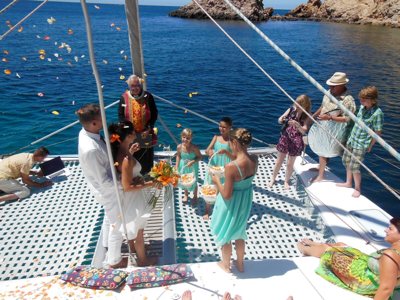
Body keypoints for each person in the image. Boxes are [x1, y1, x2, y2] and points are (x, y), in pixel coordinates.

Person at [297, 217, 400, 299]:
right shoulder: (394, 252)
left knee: (329, 253)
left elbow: (386, 289)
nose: (385, 230)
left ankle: (302, 248)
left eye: (390, 229)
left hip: (364, 279)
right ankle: (318, 245)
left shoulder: (391, 256)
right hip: (368, 267)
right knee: (342, 245)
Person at [77, 103, 126, 269]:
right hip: (107, 191)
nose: (105, 120)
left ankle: (106, 244)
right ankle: (114, 260)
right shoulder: (90, 149)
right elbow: (104, 181)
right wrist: (125, 184)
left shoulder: (88, 134)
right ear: (93, 123)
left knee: (109, 217)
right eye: (101, 118)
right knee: (117, 225)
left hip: (105, 188)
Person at [108, 121, 157, 266]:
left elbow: (125, 172)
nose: (136, 133)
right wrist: (151, 183)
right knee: (139, 230)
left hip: (128, 198)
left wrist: (131, 153)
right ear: (129, 135)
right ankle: (143, 261)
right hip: (134, 197)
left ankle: (134, 250)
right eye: (134, 132)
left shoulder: (121, 152)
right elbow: (127, 186)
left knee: (133, 226)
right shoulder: (126, 159)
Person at [210, 128, 258, 273]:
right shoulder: (254, 160)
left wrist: (216, 180)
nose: (229, 146)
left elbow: (226, 194)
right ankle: (240, 263)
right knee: (239, 232)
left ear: (235, 143)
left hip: (231, 204)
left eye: (230, 143)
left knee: (226, 234)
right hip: (245, 200)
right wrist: (230, 156)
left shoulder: (231, 167)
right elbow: (241, 165)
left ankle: (226, 265)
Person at [308, 72, 356, 183]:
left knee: (328, 149)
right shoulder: (328, 93)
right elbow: (323, 106)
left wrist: (329, 118)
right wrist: (312, 117)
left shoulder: (348, 100)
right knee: (322, 147)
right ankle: (321, 167)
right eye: (330, 85)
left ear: (342, 85)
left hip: (336, 130)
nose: (330, 87)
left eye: (333, 86)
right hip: (323, 125)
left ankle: (321, 176)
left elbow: (348, 119)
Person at [337, 86, 383, 198]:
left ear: (372, 100)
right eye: (360, 99)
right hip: (352, 139)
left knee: (355, 167)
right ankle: (348, 182)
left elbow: (378, 132)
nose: (361, 101)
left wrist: (370, 145)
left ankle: (357, 188)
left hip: (361, 143)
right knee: (346, 161)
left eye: (363, 99)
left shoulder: (377, 113)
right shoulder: (362, 108)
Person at [268, 95, 312, 189]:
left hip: (296, 142)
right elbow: (279, 120)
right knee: (279, 161)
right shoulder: (291, 109)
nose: (296, 104)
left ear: (305, 105)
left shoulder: (307, 115)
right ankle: (273, 178)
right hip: (285, 138)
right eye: (296, 102)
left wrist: (297, 125)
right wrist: (282, 119)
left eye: (299, 103)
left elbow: (304, 131)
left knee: (290, 163)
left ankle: (286, 181)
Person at [118, 74, 158, 175]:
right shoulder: (123, 98)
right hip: (130, 135)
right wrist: (128, 131)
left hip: (145, 132)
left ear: (140, 85)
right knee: (132, 155)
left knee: (146, 156)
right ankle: (134, 176)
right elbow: (121, 116)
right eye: (132, 86)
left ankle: (147, 175)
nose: (135, 88)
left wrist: (149, 128)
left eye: (137, 85)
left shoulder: (148, 97)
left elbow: (154, 113)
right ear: (129, 86)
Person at [204, 117, 234, 219]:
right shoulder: (216, 137)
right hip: (214, 167)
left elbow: (234, 157)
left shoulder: (232, 141)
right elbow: (207, 150)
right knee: (210, 186)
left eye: (224, 127)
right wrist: (209, 152)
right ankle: (207, 210)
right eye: (220, 126)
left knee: (222, 189)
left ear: (230, 128)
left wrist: (226, 152)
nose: (221, 128)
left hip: (224, 169)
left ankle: (220, 210)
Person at [175, 128, 202, 204]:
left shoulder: (194, 148)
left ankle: (195, 195)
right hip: (183, 165)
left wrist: (193, 161)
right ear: (181, 137)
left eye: (188, 138)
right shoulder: (179, 147)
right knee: (184, 180)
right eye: (184, 137)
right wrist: (176, 167)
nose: (185, 139)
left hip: (192, 166)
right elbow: (178, 156)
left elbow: (200, 157)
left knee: (193, 181)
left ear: (191, 139)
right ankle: (186, 194)